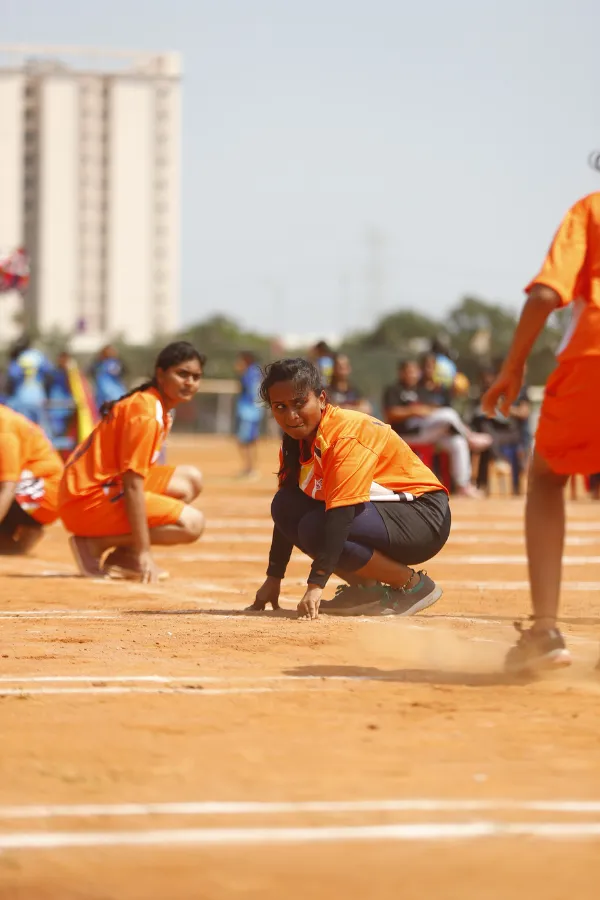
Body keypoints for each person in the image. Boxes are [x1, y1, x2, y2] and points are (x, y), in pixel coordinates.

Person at [482, 190, 600, 672]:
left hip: (593, 359)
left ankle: (545, 630)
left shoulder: (591, 209)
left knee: (549, 477)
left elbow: (548, 293)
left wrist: (513, 367)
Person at [249, 358, 451, 619]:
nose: (291, 415)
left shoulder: (345, 435)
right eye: (280, 407)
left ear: (321, 399)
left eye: (300, 403)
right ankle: (366, 590)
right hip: (382, 513)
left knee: (317, 525)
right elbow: (285, 515)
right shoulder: (295, 442)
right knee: (286, 504)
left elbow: (341, 514)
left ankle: (414, 585)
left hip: (423, 516)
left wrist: (315, 586)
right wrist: (273, 577)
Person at [59, 342, 206, 583]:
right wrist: (144, 551)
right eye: (182, 374)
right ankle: (94, 544)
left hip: (95, 489)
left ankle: (123, 556)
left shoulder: (154, 405)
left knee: (191, 479)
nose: (189, 382)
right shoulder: (146, 413)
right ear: (160, 373)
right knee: (193, 524)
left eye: (196, 376)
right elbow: (133, 486)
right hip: (86, 500)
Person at [383, 359, 491, 498]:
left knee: (457, 442)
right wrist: (414, 411)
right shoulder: (394, 390)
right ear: (401, 373)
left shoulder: (421, 390)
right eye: (409, 371)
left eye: (415, 372)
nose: (413, 375)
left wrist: (427, 410)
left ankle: (463, 485)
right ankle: (470, 437)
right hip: (405, 434)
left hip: (427, 432)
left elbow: (432, 409)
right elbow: (391, 413)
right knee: (448, 414)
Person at [0, 403, 63, 555]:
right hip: (31, 486)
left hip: (46, 493)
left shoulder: (4, 431)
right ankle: (9, 538)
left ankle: (28, 528)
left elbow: (8, 486)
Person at [472, 367, 531, 495]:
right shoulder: (484, 395)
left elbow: (524, 413)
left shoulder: (516, 391)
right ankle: (482, 483)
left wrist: (503, 407)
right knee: (485, 431)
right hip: (494, 434)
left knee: (488, 437)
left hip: (513, 433)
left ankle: (499, 460)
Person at [5, 336, 54, 434]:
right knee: (42, 430)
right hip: (38, 397)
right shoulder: (38, 355)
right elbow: (49, 371)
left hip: (22, 398)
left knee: (25, 430)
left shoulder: (18, 358)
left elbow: (12, 375)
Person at [234, 351, 264, 479]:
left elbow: (249, 390)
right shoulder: (257, 372)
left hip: (248, 411)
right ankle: (249, 468)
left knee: (246, 441)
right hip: (255, 410)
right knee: (249, 440)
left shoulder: (249, 373)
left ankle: (250, 469)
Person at [89, 344, 127, 411]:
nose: (109, 353)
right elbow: (90, 371)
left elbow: (125, 371)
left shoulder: (117, 362)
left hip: (116, 393)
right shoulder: (99, 364)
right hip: (102, 394)